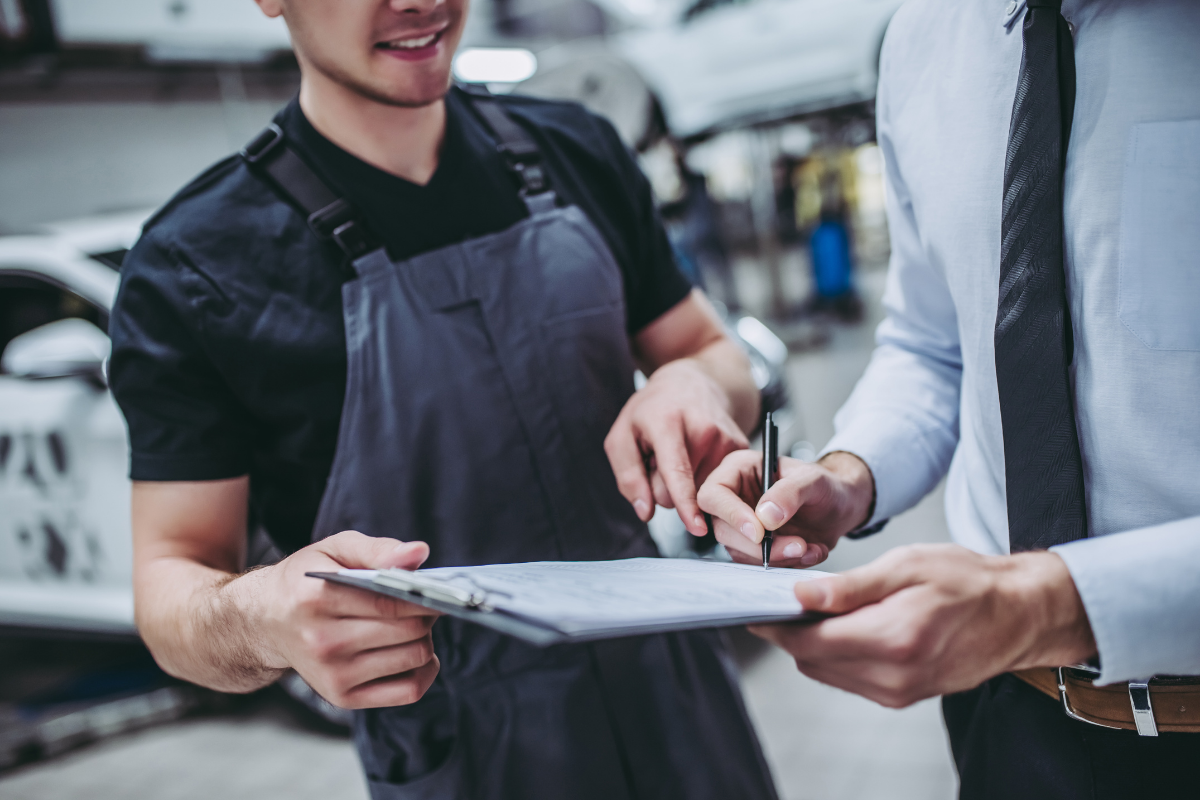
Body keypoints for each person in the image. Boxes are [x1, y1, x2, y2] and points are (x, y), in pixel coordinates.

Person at [108, 0, 779, 797]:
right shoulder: (194, 268)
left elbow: (712, 353)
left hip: (678, 698)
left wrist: (692, 380)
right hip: (459, 744)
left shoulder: (577, 149)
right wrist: (261, 618)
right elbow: (171, 580)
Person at [699, 0, 1200, 796]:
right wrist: (847, 474)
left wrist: (1046, 604)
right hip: (1009, 716)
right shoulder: (924, 40)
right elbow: (933, 344)